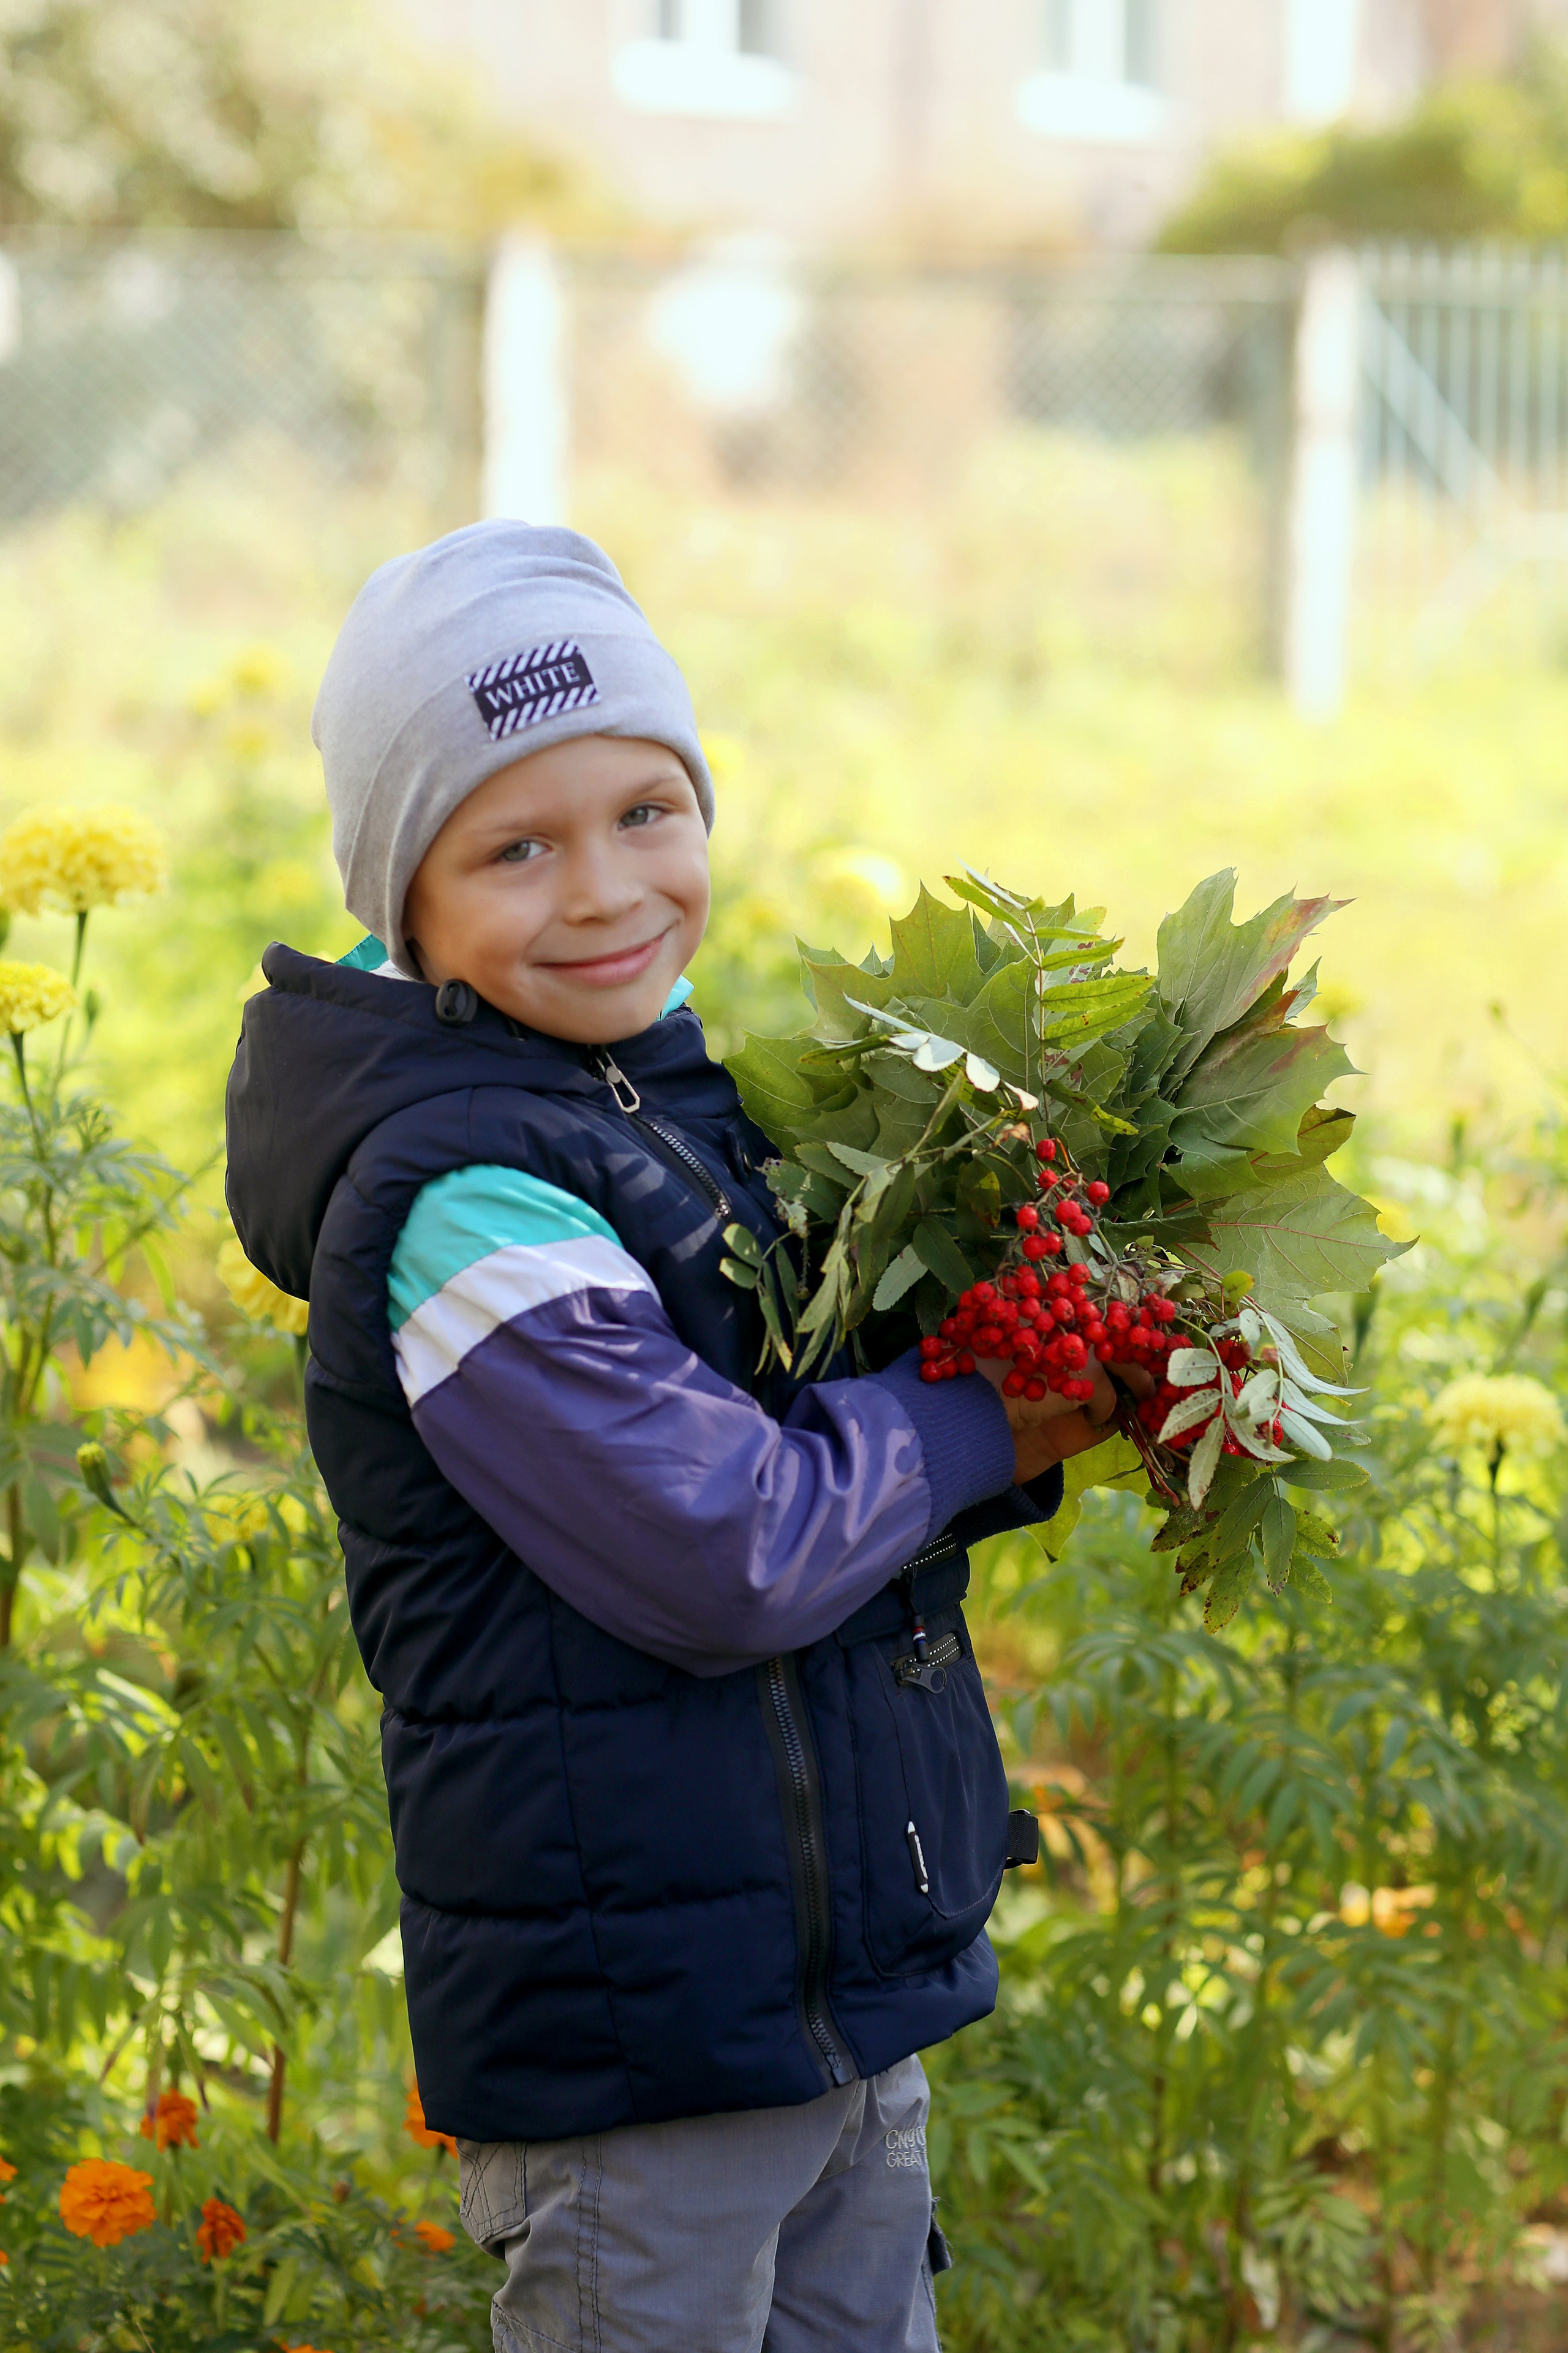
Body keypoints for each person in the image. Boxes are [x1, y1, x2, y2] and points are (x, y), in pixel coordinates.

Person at [225, 522, 1129, 2353]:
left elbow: (821, 1414)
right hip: (640, 2058)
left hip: (820, 2000)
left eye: (649, 810)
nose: (607, 889)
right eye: (517, 846)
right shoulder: (462, 1197)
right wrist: (992, 1410)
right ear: (405, 901)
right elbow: (729, 1544)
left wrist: (1084, 1321)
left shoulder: (667, 1095)